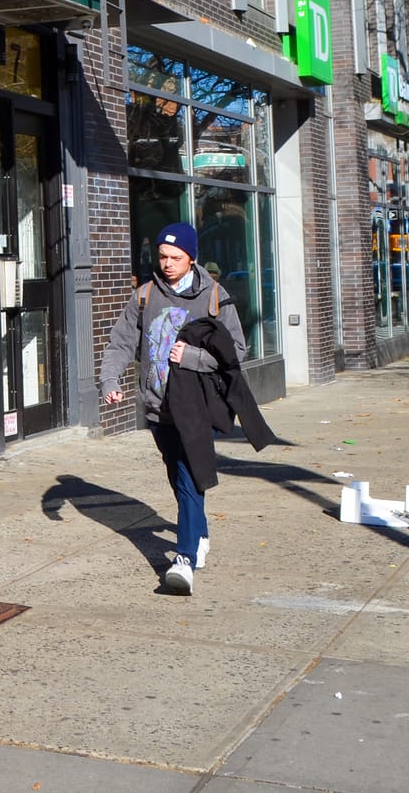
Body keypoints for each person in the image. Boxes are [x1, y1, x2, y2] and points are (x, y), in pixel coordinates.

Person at [100, 222, 265, 595]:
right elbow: (121, 343)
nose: (167, 263)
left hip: (196, 406)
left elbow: (237, 351)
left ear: (191, 258)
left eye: (176, 257)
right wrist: (110, 381)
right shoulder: (145, 295)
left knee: (189, 476)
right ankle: (200, 533)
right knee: (177, 474)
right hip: (157, 405)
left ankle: (184, 559)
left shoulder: (214, 297)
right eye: (162, 256)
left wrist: (192, 357)